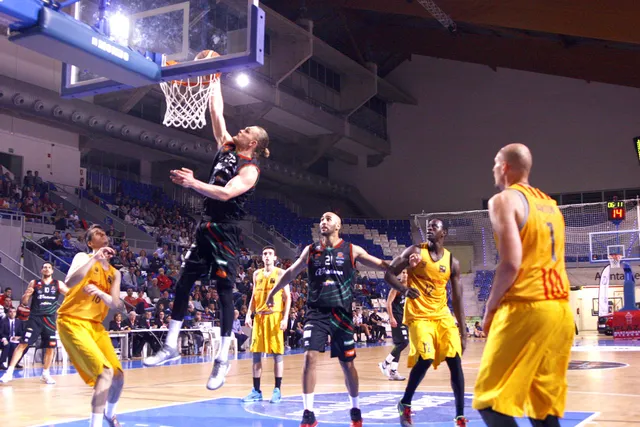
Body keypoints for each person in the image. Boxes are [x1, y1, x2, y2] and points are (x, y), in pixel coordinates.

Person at [143, 73, 270, 393]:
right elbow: (216, 112)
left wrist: (192, 183)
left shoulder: (250, 170)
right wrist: (214, 77)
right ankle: (170, 345)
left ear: (252, 143)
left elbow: (226, 194)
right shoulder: (226, 146)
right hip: (206, 227)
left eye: (247, 130)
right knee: (183, 283)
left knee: (225, 292)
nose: (241, 130)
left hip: (227, 232)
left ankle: (222, 359)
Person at [266, 212, 418, 427]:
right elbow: (291, 273)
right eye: (321, 219)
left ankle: (355, 410)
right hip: (316, 313)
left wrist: (406, 263)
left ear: (338, 226)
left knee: (347, 365)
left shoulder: (351, 250)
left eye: (328, 219)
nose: (323, 221)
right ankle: (308, 413)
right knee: (309, 357)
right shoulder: (310, 250)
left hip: (342, 314)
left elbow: (383, 265)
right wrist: (273, 293)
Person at [472, 143, 574, 427]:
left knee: (490, 401)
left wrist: (490, 309)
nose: (493, 169)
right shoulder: (551, 205)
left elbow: (511, 264)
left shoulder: (503, 200)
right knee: (542, 408)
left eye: (495, 163)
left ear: (504, 167)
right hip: (560, 312)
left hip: (525, 309)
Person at [385, 219, 468, 427]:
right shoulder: (415, 251)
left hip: (442, 316)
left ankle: (460, 416)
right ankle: (405, 403)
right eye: (428, 226)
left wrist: (464, 332)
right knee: (426, 357)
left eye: (434, 226)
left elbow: (457, 298)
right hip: (419, 315)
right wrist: (404, 289)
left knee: (455, 360)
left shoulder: (452, 262)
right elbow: (389, 273)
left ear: (443, 233)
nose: (430, 229)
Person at [56, 224, 125, 427]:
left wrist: (101, 293)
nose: (103, 235)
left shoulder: (115, 273)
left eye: (104, 233)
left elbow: (117, 305)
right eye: (97, 234)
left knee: (118, 376)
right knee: (105, 373)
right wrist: (95, 258)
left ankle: (109, 414)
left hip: (95, 326)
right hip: (72, 321)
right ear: (90, 243)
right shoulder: (82, 257)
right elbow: (70, 281)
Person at [0, 262, 68, 384]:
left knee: (50, 347)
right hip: (35, 319)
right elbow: (24, 302)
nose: (47, 269)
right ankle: (9, 372)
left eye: (49, 267)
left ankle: (45, 374)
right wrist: (27, 295)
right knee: (23, 344)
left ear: (52, 271)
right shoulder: (34, 283)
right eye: (44, 267)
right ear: (41, 270)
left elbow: (71, 295)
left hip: (49, 319)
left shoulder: (58, 284)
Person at [243, 245, 290, 404]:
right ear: (262, 257)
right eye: (265, 254)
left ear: (275, 257)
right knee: (256, 354)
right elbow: (253, 296)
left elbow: (288, 297)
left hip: (274, 317)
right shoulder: (256, 274)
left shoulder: (281, 273)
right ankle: (256, 391)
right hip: (259, 318)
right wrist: (249, 313)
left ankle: (277, 390)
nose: (267, 256)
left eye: (270, 253)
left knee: (277, 354)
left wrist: (285, 318)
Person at [378, 269, 409, 381]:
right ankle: (385, 364)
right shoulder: (397, 287)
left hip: (404, 319)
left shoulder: (409, 288)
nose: (405, 274)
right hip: (397, 319)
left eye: (407, 273)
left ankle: (393, 371)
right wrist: (391, 317)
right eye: (403, 272)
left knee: (399, 344)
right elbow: (388, 303)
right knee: (404, 342)